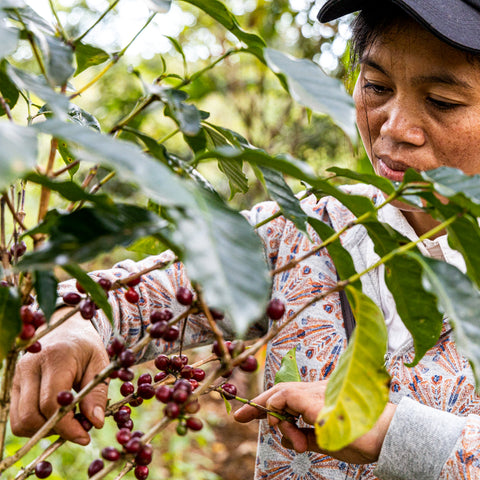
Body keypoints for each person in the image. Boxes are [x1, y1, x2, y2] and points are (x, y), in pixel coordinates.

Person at [10, 0, 480, 478]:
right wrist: (74, 321)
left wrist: (394, 435)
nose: (393, 127)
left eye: (442, 101)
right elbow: (145, 294)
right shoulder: (310, 231)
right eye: (377, 87)